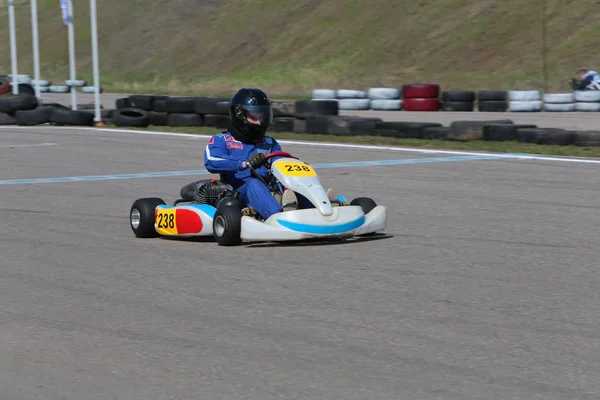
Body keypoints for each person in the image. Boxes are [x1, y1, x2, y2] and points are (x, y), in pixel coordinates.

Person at [203, 88, 338, 220]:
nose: (259, 122)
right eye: (253, 117)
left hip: (269, 189)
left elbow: (280, 162)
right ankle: (279, 216)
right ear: (240, 116)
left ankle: (321, 212)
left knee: (293, 182)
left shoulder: (269, 142)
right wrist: (244, 163)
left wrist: (295, 167)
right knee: (254, 184)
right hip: (238, 194)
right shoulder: (222, 140)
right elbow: (211, 160)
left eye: (262, 117)